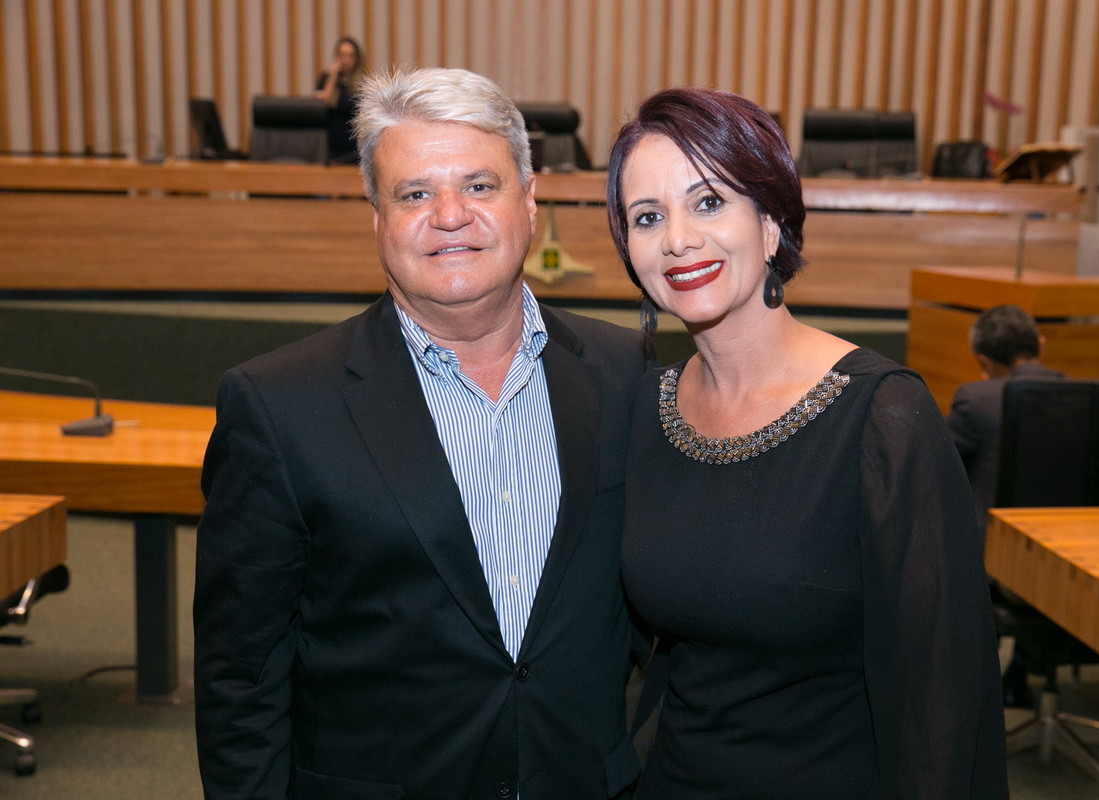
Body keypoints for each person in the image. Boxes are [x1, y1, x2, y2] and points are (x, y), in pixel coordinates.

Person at [194, 67, 654, 799]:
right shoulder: (278, 405)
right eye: (414, 194)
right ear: (376, 219)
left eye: (479, 185)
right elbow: (240, 674)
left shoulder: (629, 374)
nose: (450, 215)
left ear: (529, 201)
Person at [606, 87, 1008, 798]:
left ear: (770, 224)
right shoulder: (645, 408)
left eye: (708, 202)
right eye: (647, 217)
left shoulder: (883, 416)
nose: (677, 239)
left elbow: (945, 695)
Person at [945, 304, 1066, 533]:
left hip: (995, 543)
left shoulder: (977, 400)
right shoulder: (1084, 396)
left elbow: (931, 458)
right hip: (1066, 538)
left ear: (983, 362)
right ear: (1041, 345)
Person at [313, 36, 365, 163]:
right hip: (330, 144)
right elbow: (324, 101)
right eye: (342, 55)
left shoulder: (361, 84)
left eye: (350, 56)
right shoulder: (326, 79)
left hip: (352, 146)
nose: (346, 60)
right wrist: (333, 76)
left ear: (356, 59)